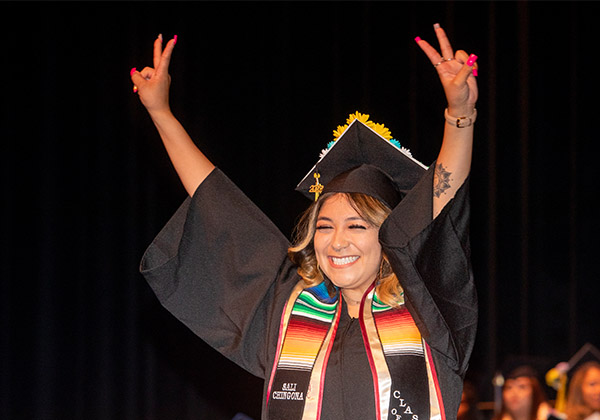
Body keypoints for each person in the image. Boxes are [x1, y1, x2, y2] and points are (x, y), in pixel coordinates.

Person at [131, 23, 478, 420]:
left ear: (393, 237)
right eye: (325, 226)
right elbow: (219, 209)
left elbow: (443, 204)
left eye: (357, 226)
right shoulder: (290, 306)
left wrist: (460, 115)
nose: (337, 241)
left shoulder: (428, 309)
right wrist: (161, 113)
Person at [492, 366, 563, 420]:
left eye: (522, 387)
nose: (514, 393)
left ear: (535, 392)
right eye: (509, 387)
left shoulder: (551, 417)